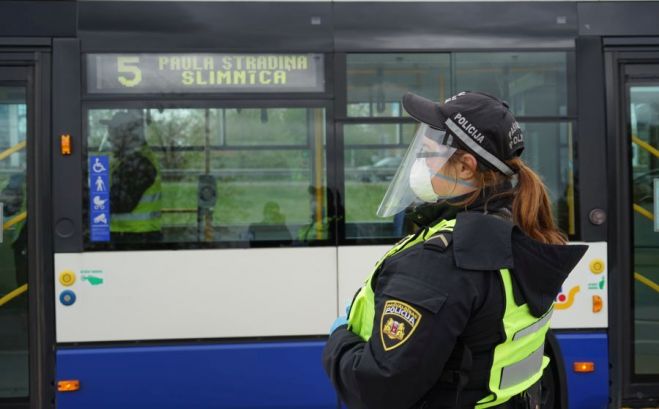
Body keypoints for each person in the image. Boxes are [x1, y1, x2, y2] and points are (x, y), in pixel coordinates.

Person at [322, 91, 589, 409]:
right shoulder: (520, 231)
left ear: (466, 167)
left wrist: (339, 339)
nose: (419, 160)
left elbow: (379, 388)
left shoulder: (439, 263)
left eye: (429, 151)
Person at [103, 111, 162, 242]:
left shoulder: (138, 164)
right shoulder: (125, 160)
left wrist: (87, 202)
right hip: (131, 234)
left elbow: (121, 203)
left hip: (135, 238)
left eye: (114, 134)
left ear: (128, 137)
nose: (109, 139)